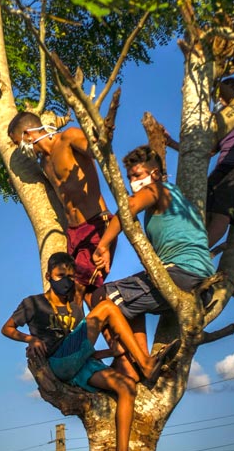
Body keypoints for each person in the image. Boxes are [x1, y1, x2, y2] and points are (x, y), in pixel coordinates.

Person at [2, 252, 173, 451]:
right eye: (60, 275)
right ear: (48, 276)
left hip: (79, 363)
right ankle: (146, 363)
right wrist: (31, 339)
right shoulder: (33, 303)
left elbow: (81, 343)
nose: (66, 281)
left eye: (70, 276)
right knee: (107, 308)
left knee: (126, 387)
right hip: (58, 361)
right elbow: (7, 328)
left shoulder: (74, 306)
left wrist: (108, 352)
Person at [91, 145, 216, 363]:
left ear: (155, 174)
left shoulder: (157, 190)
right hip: (200, 282)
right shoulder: (175, 196)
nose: (133, 182)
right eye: (129, 177)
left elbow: (128, 206)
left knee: (101, 296)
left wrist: (103, 246)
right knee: (131, 305)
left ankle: (121, 354)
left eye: (138, 175)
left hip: (182, 273)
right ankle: (141, 359)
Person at [7, 111, 116, 305]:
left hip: (95, 225)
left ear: (28, 134)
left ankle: (72, 336)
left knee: (72, 291)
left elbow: (95, 150)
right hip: (73, 234)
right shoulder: (43, 163)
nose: (20, 148)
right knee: (91, 298)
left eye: (18, 142)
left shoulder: (68, 137)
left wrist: (101, 137)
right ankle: (117, 334)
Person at [165, 77, 234, 250]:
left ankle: (199, 253)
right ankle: (188, 250)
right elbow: (206, 151)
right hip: (222, 168)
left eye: (221, 97)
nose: (219, 101)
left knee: (222, 213)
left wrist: (213, 81)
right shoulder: (223, 125)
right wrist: (170, 142)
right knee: (201, 207)